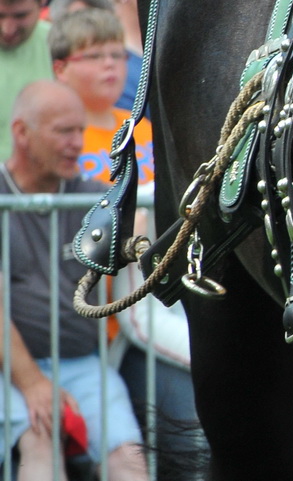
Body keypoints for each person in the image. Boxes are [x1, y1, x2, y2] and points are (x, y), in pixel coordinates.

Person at [0, 80, 150, 481]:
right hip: (11, 371)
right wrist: (32, 383)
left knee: (129, 457)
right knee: (39, 441)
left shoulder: (93, 197)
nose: (77, 143)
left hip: (85, 364)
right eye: (63, 131)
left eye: (81, 131)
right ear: (21, 133)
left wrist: (141, 228)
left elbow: (143, 229)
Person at [48, 6, 149, 183]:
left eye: (117, 55)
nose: (110, 64)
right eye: (94, 56)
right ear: (60, 69)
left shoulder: (142, 127)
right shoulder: (54, 136)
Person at [0, 0, 51, 158]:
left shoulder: (59, 45)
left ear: (43, 0)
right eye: (0, 16)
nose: (7, 28)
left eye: (20, 16)